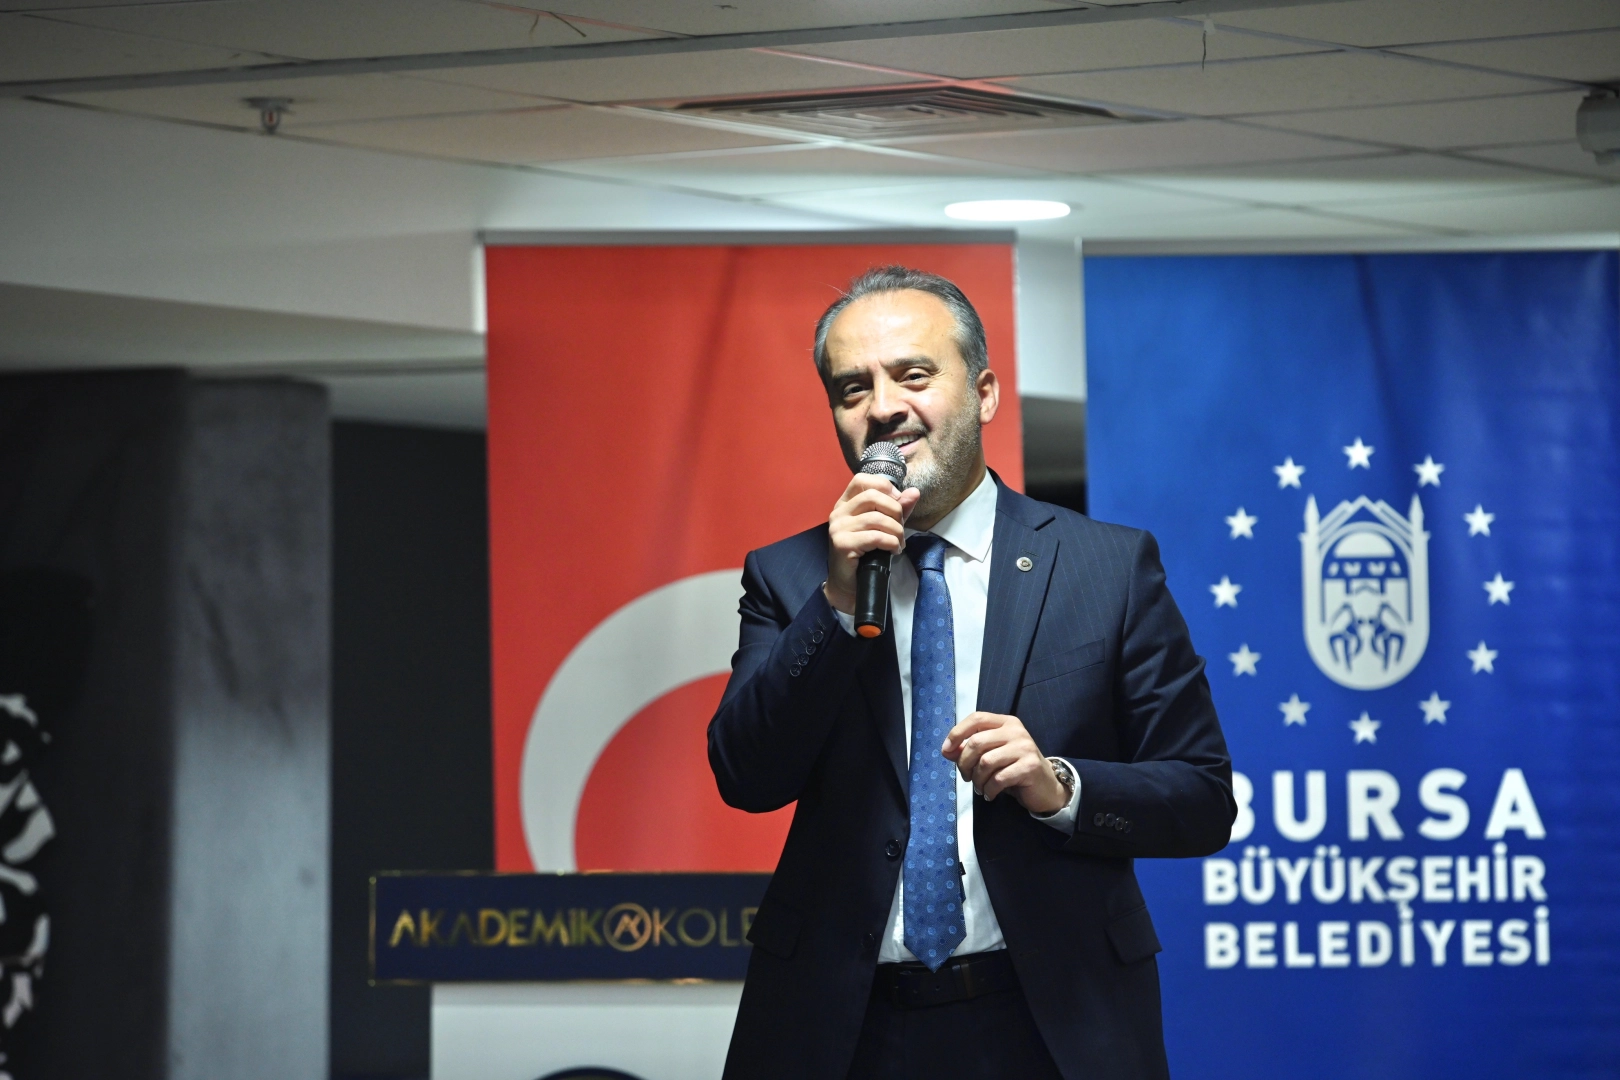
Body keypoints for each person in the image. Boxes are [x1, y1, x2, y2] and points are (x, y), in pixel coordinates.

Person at [708, 266, 1234, 1080]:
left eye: (913, 375)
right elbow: (747, 775)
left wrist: (1061, 786)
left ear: (984, 394)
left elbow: (1202, 798)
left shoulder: (1107, 568)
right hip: (843, 1026)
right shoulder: (790, 576)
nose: (884, 407)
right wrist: (837, 604)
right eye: (853, 389)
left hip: (1051, 1020)